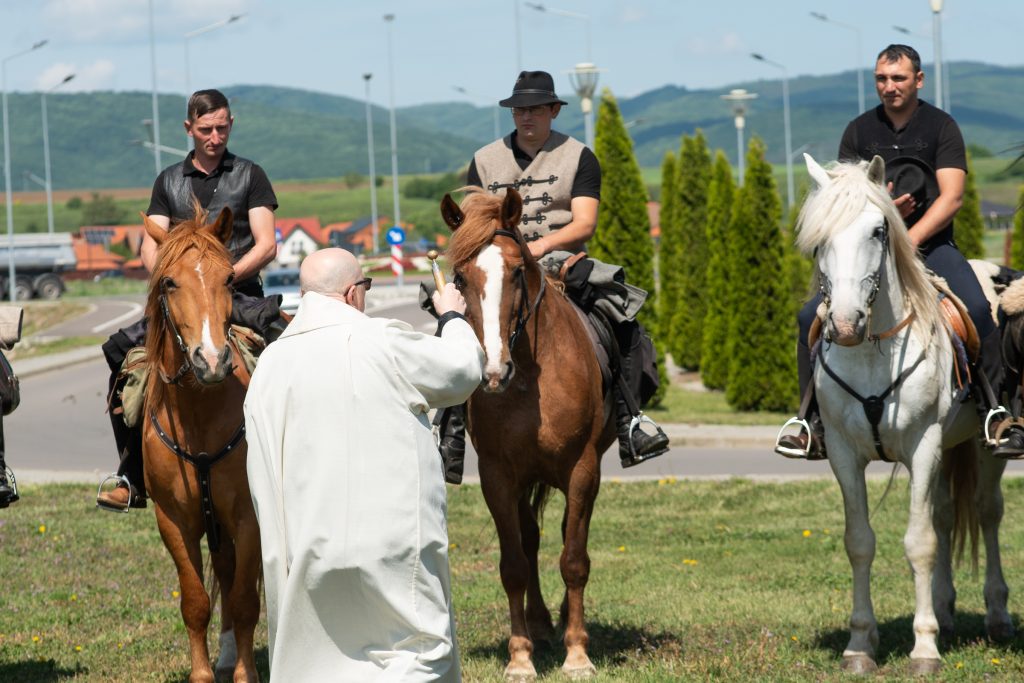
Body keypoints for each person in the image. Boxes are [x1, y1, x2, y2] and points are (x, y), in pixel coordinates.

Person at [244, 248, 483, 681]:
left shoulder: (270, 364)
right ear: (354, 293)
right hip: (390, 544)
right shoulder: (381, 339)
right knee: (411, 655)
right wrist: (452, 318)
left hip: (305, 546)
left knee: (318, 663)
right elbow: (463, 370)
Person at [775, 44, 1012, 458]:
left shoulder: (941, 127)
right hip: (868, 252)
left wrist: (907, 238)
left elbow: (952, 197)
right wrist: (876, 209)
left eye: (899, 78)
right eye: (882, 79)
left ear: (918, 80)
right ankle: (809, 422)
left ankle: (996, 412)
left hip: (931, 248)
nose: (890, 87)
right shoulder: (859, 130)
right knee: (805, 317)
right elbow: (844, 195)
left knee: (976, 308)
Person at [434, 70, 669, 483]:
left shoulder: (579, 156)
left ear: (554, 111)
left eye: (537, 109)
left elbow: (584, 223)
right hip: (496, 265)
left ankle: (631, 420)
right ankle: (451, 429)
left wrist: (537, 249)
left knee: (623, 322)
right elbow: (471, 224)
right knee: (448, 320)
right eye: (520, 110)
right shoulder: (485, 159)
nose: (527, 117)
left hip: (560, 261)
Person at [97, 89, 282, 510]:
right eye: (205, 130)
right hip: (179, 300)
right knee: (119, 354)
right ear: (188, 129)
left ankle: (293, 465)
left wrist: (218, 279)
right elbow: (150, 246)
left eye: (222, 127)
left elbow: (267, 243)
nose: (215, 137)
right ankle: (130, 473)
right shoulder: (168, 180)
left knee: (289, 346)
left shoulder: (251, 175)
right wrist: (179, 282)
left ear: (231, 124)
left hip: (238, 294)